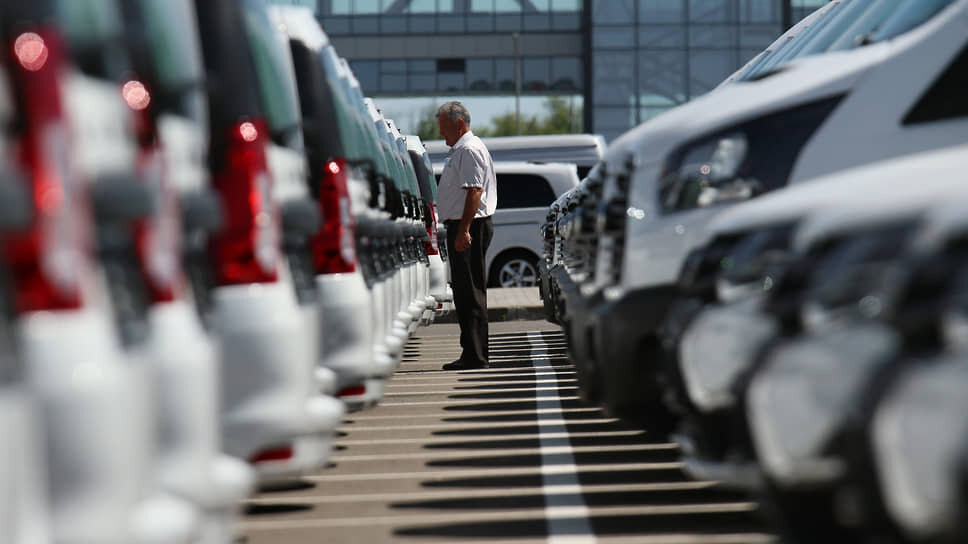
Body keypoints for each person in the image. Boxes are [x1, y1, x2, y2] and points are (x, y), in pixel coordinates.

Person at [435, 101, 497, 370]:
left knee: (469, 291)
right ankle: (472, 352)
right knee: (464, 291)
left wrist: (464, 231)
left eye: (445, 127)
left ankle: (475, 356)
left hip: (469, 226)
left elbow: (474, 192)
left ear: (459, 124)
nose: (442, 134)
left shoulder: (469, 149)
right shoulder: (461, 149)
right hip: (464, 226)